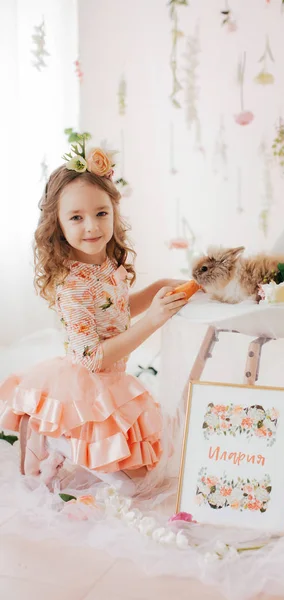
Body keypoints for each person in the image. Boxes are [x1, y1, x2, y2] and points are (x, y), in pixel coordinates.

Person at [0, 141, 187, 485]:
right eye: (76, 217)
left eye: (101, 213)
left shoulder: (107, 265)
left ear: (114, 212)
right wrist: (153, 321)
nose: (92, 227)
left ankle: (67, 441)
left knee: (145, 470)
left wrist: (158, 288)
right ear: (57, 225)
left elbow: (115, 312)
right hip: (90, 382)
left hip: (111, 376)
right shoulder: (72, 286)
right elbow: (93, 359)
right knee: (134, 485)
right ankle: (58, 439)